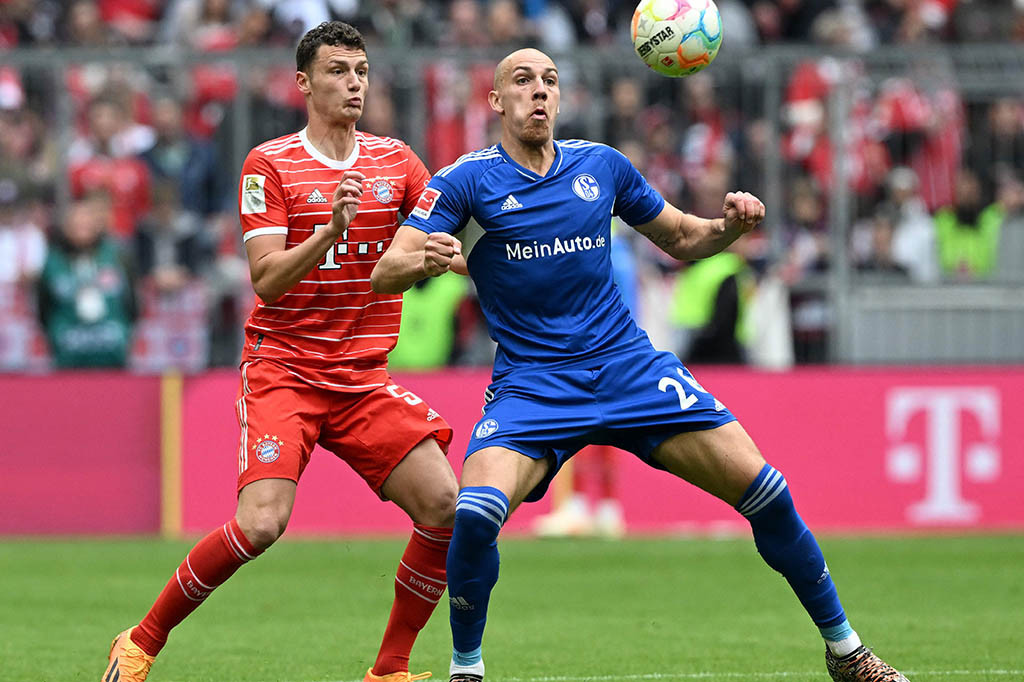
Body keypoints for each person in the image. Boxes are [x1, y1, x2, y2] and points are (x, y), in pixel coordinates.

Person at [371, 48, 911, 682]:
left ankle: (846, 651)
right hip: (533, 384)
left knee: (767, 490)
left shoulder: (602, 166)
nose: (538, 92)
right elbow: (386, 271)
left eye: (549, 81)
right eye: (522, 82)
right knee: (473, 515)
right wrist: (426, 259)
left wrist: (729, 228)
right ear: (495, 101)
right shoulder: (466, 181)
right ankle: (467, 669)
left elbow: (683, 237)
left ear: (561, 99)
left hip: (628, 367)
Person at [102, 22, 459, 682]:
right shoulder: (269, 164)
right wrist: (330, 231)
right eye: (337, 71)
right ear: (303, 83)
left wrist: (447, 257)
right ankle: (141, 640)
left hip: (361, 378)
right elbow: (266, 278)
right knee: (261, 525)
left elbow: (440, 238)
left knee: (445, 505)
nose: (353, 83)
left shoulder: (398, 163)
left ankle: (389, 670)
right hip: (286, 369)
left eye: (361, 70)